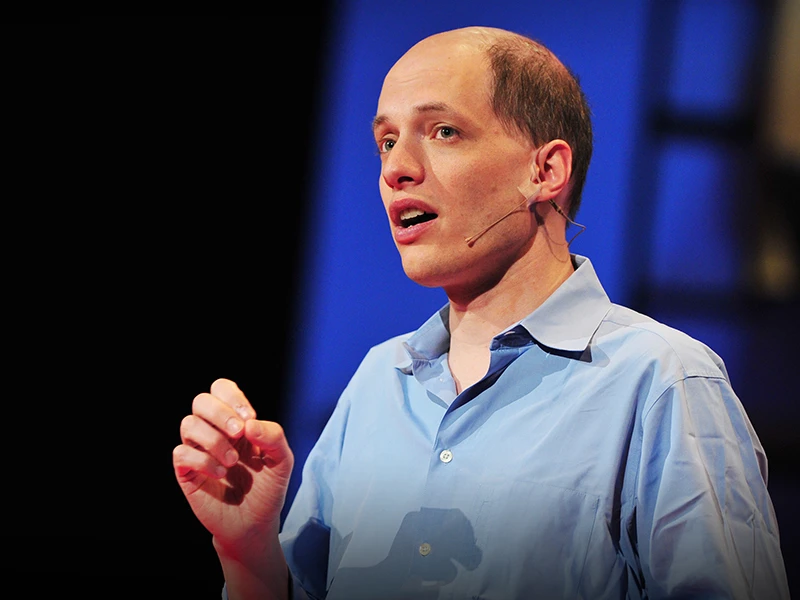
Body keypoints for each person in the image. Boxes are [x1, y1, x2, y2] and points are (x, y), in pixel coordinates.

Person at [173, 26, 790, 599]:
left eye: (443, 131)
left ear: (545, 170)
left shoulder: (660, 381)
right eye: (386, 141)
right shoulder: (379, 382)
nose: (396, 168)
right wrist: (248, 552)